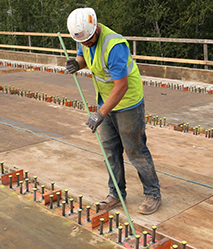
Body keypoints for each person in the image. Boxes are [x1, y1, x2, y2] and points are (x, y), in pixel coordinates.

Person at [65, 7, 161, 215]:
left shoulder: (114, 45)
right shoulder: (83, 35)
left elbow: (121, 86)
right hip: (105, 101)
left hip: (127, 102)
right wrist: (76, 63)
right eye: (82, 42)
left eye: (89, 40)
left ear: (96, 28)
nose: (86, 44)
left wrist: (100, 113)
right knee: (110, 150)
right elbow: (83, 56)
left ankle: (153, 193)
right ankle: (116, 193)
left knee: (135, 149)